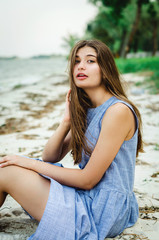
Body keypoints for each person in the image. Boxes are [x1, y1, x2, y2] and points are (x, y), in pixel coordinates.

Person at [0, 39, 143, 240]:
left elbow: (87, 180)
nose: (81, 66)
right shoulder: (88, 109)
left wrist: (30, 164)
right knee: (6, 167)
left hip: (102, 209)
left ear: (106, 68)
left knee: (5, 172)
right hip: (88, 196)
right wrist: (66, 121)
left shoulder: (117, 111)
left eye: (90, 61)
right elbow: (50, 156)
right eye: (76, 61)